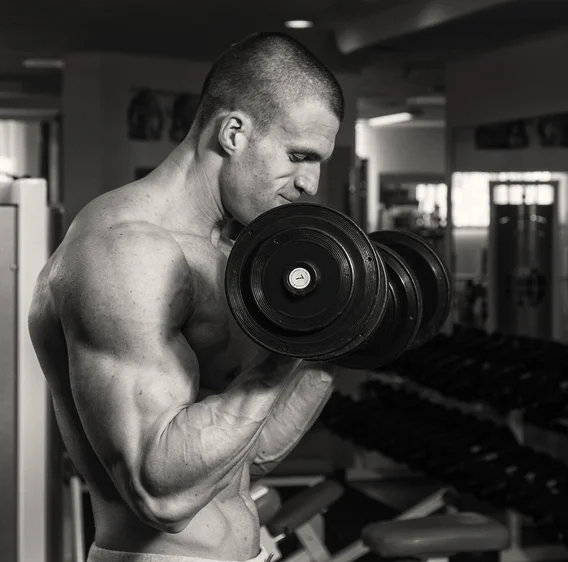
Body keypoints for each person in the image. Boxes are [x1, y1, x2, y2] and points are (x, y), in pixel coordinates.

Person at [28, 31, 344, 562]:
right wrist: (277, 358)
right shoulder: (124, 253)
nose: (310, 183)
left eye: (318, 163)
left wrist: (332, 344)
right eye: (299, 155)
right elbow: (162, 494)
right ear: (235, 132)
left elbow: (250, 452)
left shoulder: (225, 253)